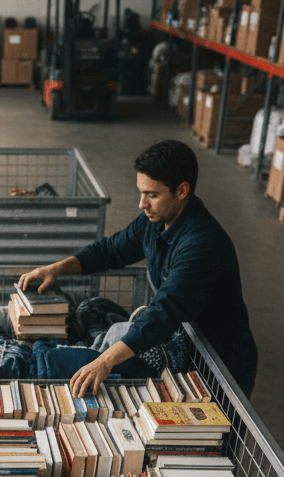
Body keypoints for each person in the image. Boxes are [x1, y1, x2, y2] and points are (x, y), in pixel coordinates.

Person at [17, 139, 258, 398]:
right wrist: (57, 268)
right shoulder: (154, 222)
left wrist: (105, 361)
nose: (142, 204)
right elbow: (109, 250)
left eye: (152, 195)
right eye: (141, 192)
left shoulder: (201, 245)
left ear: (182, 190)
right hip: (186, 345)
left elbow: (163, 313)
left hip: (219, 366)